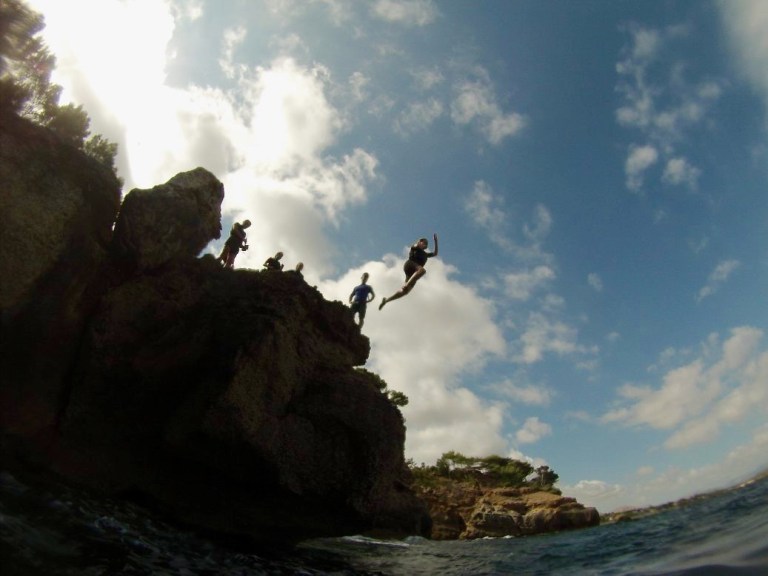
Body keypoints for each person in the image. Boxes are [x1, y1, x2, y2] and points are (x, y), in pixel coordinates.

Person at [379, 233, 438, 310]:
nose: (426, 244)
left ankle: (386, 300)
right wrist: (419, 243)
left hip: (414, 273)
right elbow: (416, 245)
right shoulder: (415, 247)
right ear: (420, 242)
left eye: (427, 244)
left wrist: (436, 241)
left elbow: (435, 253)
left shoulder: (425, 254)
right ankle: (406, 285)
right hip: (410, 265)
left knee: (405, 292)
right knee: (422, 271)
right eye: (424, 242)